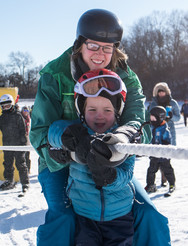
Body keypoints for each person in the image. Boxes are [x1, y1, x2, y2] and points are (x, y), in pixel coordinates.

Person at [29, 9, 170, 246]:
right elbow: (39, 132)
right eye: (93, 45)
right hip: (59, 160)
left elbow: (138, 123)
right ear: (79, 44)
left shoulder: (126, 77)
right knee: (63, 217)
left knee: (148, 214)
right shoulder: (54, 75)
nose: (100, 54)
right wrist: (68, 140)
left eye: (108, 47)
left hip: (108, 158)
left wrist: (120, 139)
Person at [48, 69, 136, 245]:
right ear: (81, 110)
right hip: (84, 215)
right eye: (92, 109)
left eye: (107, 109)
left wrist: (110, 177)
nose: (99, 115)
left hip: (120, 216)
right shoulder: (78, 133)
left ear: (117, 111)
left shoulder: (122, 140)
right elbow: (53, 131)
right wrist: (67, 135)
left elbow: (127, 174)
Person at [149, 82, 180, 186]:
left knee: (166, 157)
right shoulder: (154, 103)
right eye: (159, 92)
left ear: (166, 92)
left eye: (163, 92)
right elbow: (150, 116)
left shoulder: (173, 103)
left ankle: (165, 178)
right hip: (156, 132)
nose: (161, 94)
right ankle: (153, 182)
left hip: (169, 132)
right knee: (155, 157)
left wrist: (171, 117)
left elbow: (178, 117)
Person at [0, 94, 29, 192]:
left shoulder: (17, 115)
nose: (6, 108)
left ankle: (25, 183)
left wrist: (23, 143)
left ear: (12, 105)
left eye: (8, 105)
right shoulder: (2, 117)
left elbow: (22, 130)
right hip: (7, 144)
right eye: (4, 106)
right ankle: (9, 181)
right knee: (7, 163)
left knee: (20, 163)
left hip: (18, 144)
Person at [145, 106, 176, 194]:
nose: (152, 120)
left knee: (167, 170)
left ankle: (172, 184)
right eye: (151, 118)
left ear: (160, 117)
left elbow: (167, 140)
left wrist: (165, 149)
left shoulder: (164, 129)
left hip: (163, 155)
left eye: (154, 118)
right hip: (154, 154)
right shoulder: (151, 126)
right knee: (151, 170)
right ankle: (150, 185)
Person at [21, 106, 31, 173]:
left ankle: (28, 169)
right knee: (22, 155)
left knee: (27, 154)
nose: (25, 112)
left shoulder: (28, 119)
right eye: (24, 110)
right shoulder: (20, 118)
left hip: (27, 138)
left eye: (27, 111)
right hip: (22, 138)